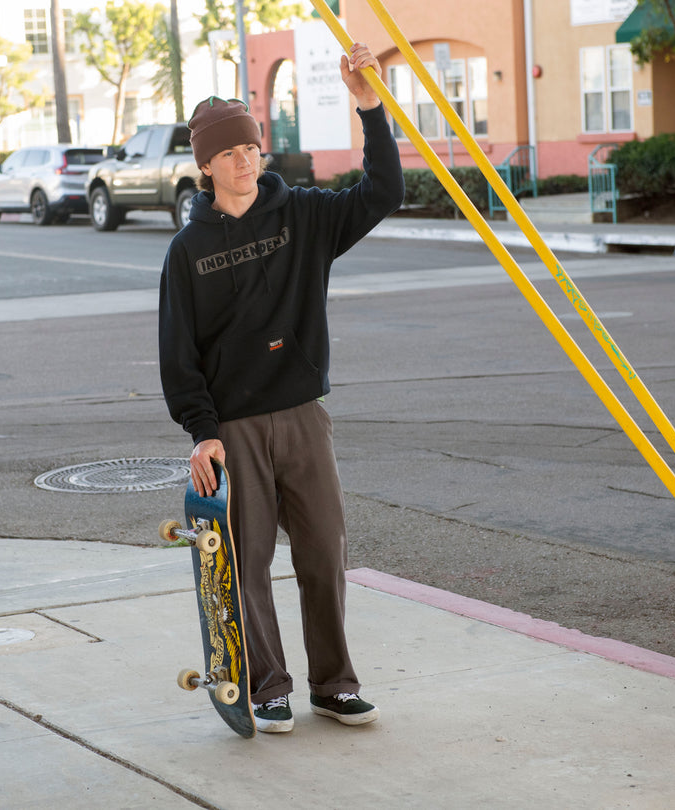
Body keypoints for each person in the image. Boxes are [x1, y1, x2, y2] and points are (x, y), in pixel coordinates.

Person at [158, 42, 404, 733]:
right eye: (229, 152)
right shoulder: (187, 252)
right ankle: (268, 686)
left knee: (325, 552)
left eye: (251, 147)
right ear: (206, 165)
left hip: (302, 416)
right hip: (234, 429)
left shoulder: (305, 217)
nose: (245, 160)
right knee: (248, 565)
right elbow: (178, 355)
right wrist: (202, 432)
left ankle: (334, 684)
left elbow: (384, 192)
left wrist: (369, 107)